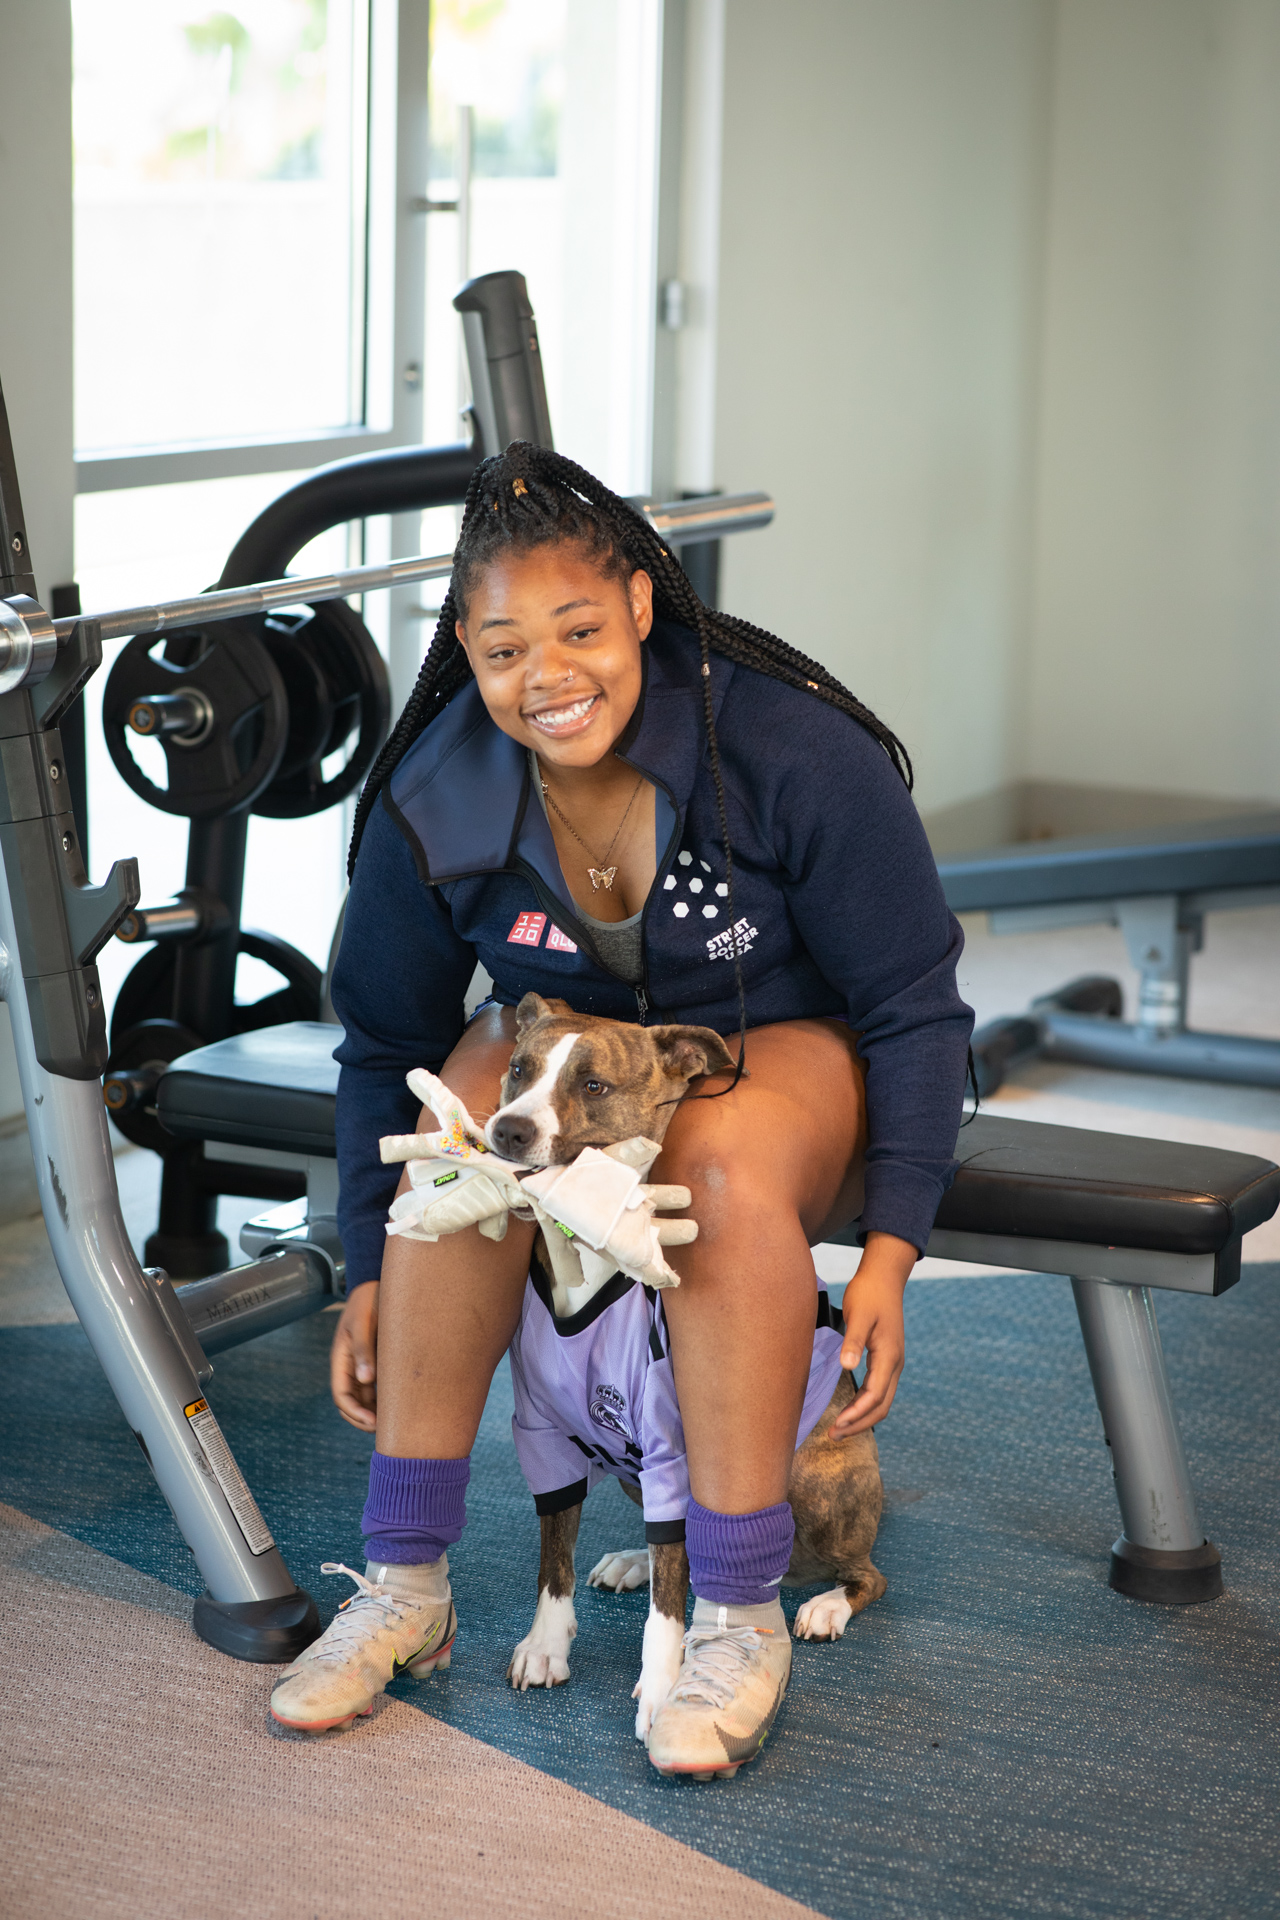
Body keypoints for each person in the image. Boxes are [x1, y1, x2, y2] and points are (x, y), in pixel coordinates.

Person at [269, 444, 973, 1772]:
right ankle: (405, 1586)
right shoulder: (441, 792)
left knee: (709, 1171)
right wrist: (374, 1258)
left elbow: (914, 1008)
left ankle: (739, 1609)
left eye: (579, 629)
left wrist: (894, 1250)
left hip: (794, 1043)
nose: (547, 676)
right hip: (573, 1062)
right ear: (466, 655)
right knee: (457, 1137)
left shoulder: (787, 750)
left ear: (644, 605)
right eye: (503, 649)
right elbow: (385, 1045)